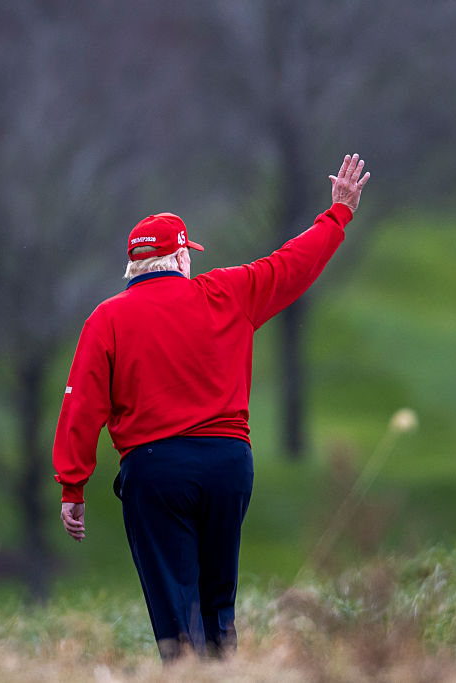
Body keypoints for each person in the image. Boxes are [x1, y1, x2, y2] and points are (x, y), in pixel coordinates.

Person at [52, 154, 370, 660]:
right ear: (180, 258)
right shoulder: (227, 292)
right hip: (227, 466)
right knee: (218, 599)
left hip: (156, 471)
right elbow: (292, 264)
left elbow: (82, 404)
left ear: (134, 265)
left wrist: (73, 485)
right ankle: (223, 668)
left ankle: (187, 671)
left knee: (174, 608)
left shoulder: (107, 319)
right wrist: (337, 214)